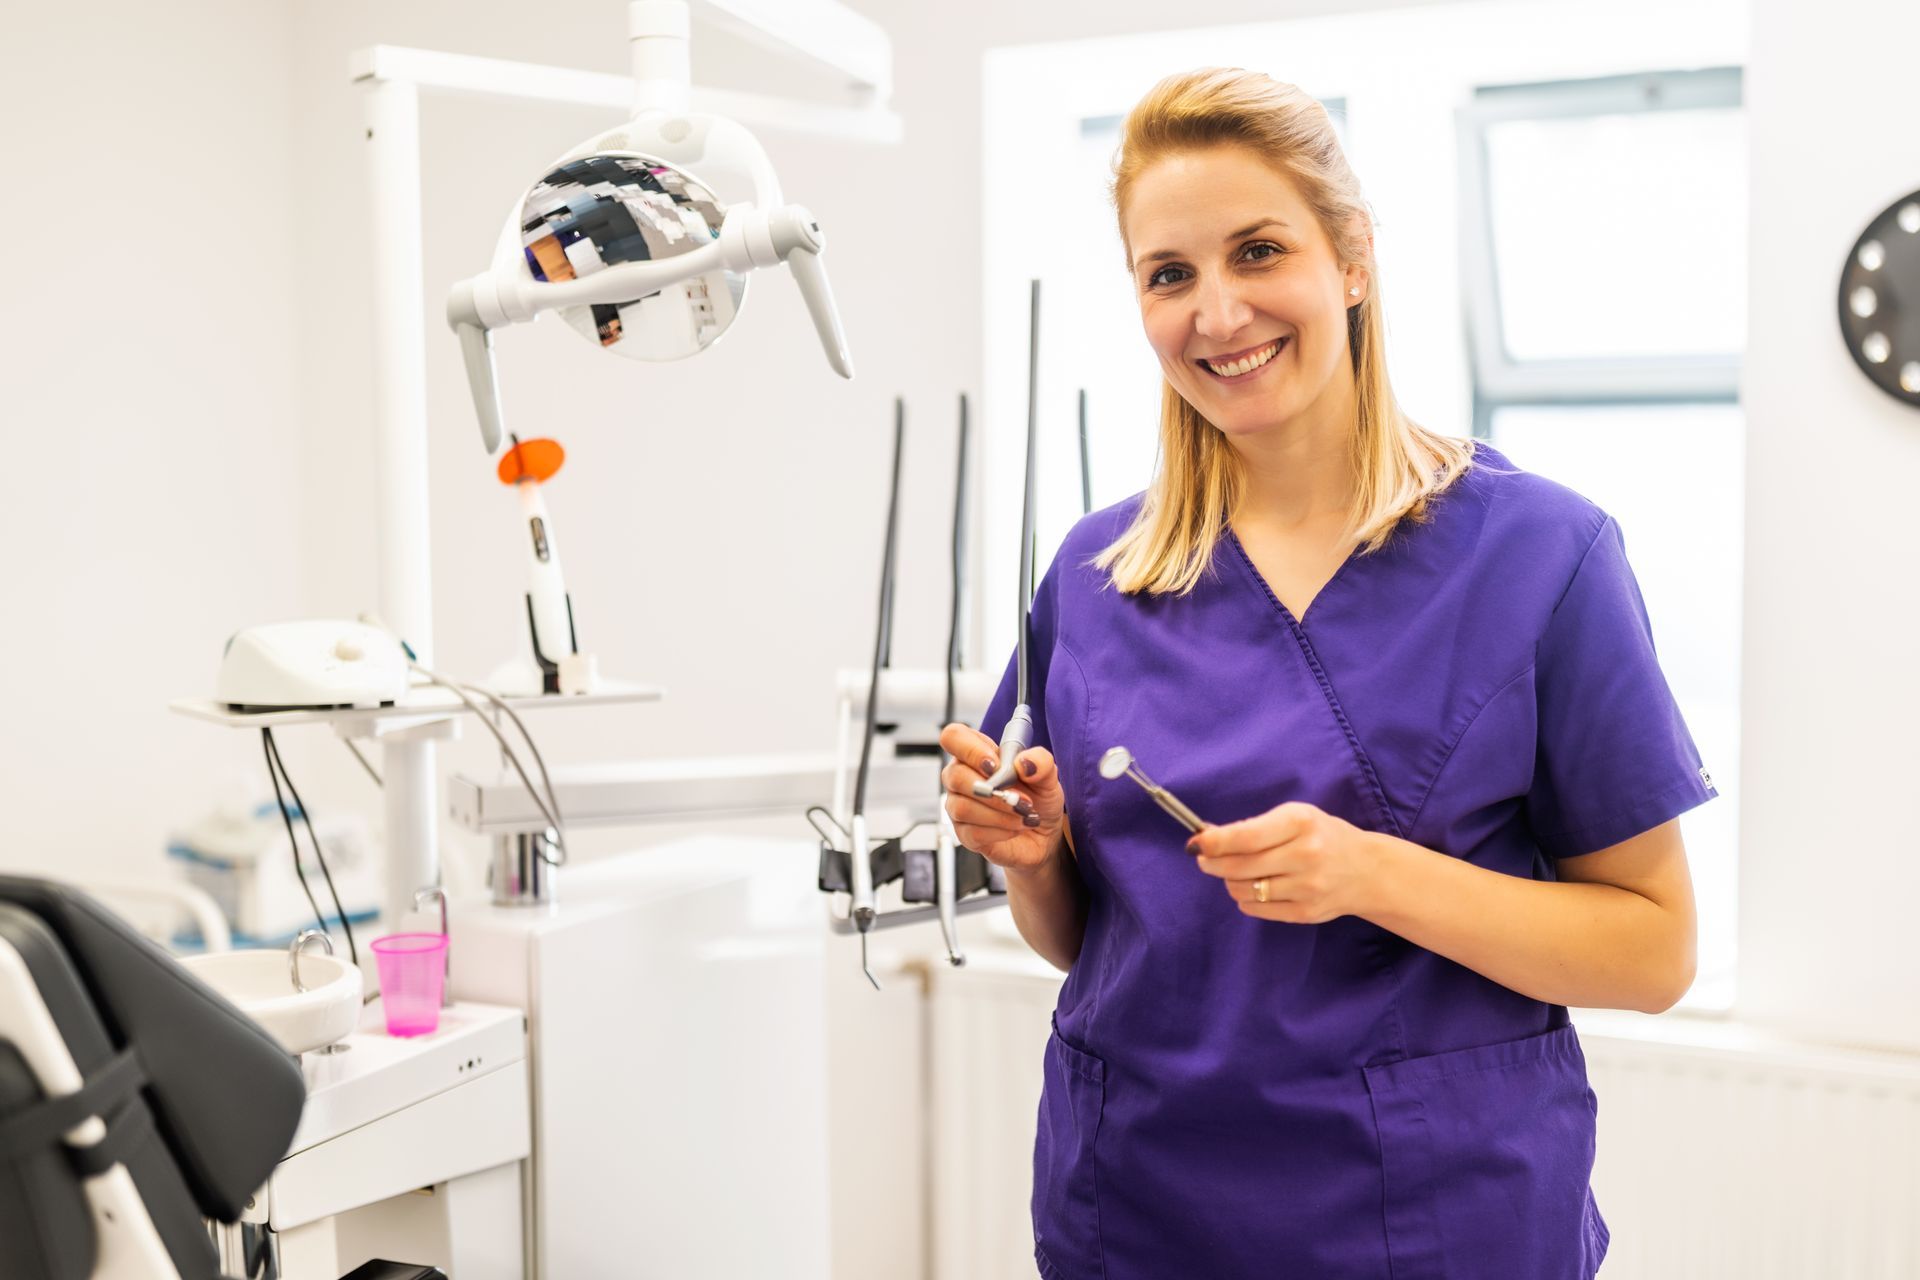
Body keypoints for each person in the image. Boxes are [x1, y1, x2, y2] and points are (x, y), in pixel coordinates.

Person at [939, 67, 1714, 1280]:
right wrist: (1034, 862)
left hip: (1436, 1220)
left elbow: (1654, 951)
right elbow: (1098, 940)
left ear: (1350, 257)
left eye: (1258, 251)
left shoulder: (1544, 556)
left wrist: (1372, 873)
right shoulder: (1095, 575)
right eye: (1170, 273)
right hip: (1137, 1203)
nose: (1217, 312)